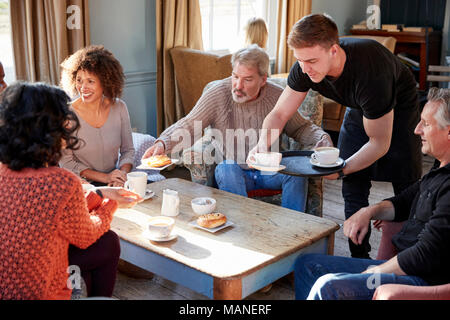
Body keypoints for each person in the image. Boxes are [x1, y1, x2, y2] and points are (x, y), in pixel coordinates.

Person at [249, 14, 422, 258]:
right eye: (300, 60)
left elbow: (379, 143)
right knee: (353, 188)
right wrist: (260, 145)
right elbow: (278, 114)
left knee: (407, 185)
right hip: (358, 105)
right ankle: (359, 259)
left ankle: (410, 261)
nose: (305, 68)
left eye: (311, 60)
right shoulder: (304, 67)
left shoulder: (371, 72)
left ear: (333, 50)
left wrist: (341, 169)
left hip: (399, 109)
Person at [293, 87, 450, 300]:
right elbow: (403, 202)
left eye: (427, 124)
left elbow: (426, 254)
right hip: (403, 268)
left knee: (328, 286)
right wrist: (367, 211)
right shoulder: (438, 170)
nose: (417, 130)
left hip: (420, 280)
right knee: (308, 265)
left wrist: (377, 272)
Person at [143, 45, 332, 213]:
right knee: (226, 167)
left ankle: (294, 231)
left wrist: (321, 138)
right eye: (235, 76)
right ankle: (242, 225)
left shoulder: (276, 95)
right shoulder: (218, 93)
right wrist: (162, 143)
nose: (238, 86)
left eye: (248, 80)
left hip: (269, 171)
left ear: (263, 79)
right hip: (234, 173)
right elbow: (189, 123)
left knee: (296, 174)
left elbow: (301, 128)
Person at [0, 82, 142, 300]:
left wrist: (101, 193)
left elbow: (48, 212)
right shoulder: (60, 182)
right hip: (41, 292)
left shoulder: (4, 170)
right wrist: (109, 204)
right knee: (108, 242)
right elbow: (85, 236)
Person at [59, 45, 135, 188]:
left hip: (117, 180)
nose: (83, 87)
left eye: (90, 81)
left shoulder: (120, 107)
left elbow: (128, 150)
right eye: (79, 80)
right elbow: (66, 163)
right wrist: (105, 178)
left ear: (105, 82)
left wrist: (121, 175)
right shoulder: (67, 115)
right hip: (83, 185)